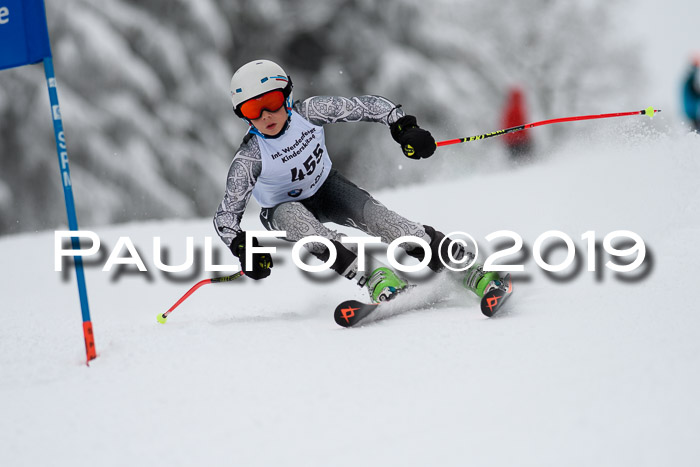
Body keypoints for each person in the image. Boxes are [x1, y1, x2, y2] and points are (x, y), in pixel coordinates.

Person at [214, 59, 500, 303]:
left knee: (385, 221)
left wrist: (404, 127)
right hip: (282, 209)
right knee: (309, 231)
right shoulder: (250, 158)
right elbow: (226, 217)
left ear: (287, 96)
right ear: (243, 116)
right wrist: (243, 247)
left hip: (328, 188)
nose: (265, 116)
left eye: (272, 102)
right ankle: (377, 277)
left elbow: (371, 106)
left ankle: (469, 268)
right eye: (253, 110)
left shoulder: (311, 112)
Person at [500, 86, 533, 160]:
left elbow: (504, 123)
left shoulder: (508, 108)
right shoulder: (518, 108)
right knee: (525, 159)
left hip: (511, 140)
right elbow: (522, 123)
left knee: (516, 160)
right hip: (520, 140)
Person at [682, 57, 700, 131]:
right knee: (696, 130)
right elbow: (695, 93)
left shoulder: (688, 79)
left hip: (690, 112)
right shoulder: (690, 80)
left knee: (694, 129)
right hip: (693, 112)